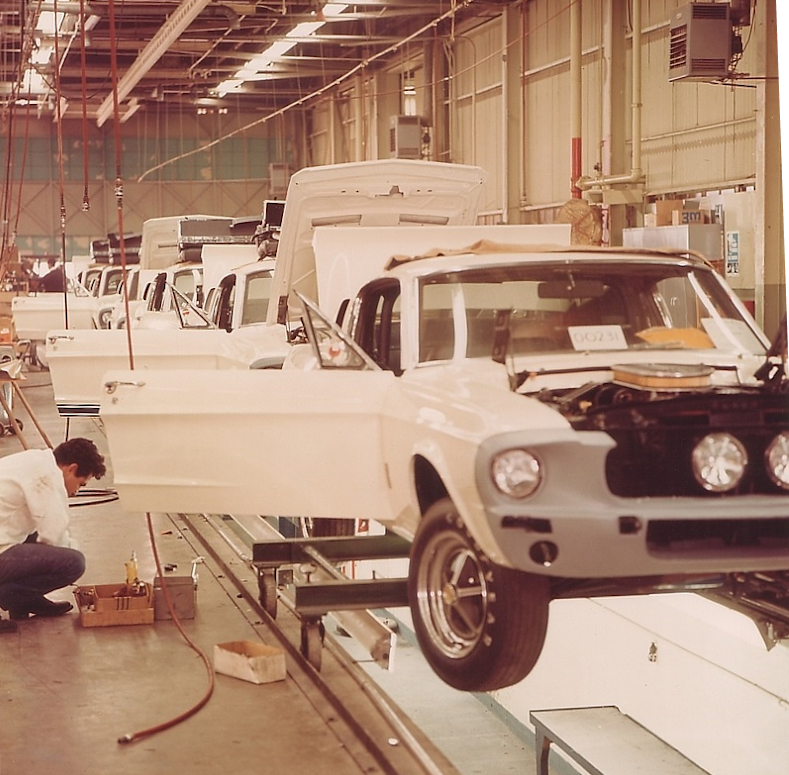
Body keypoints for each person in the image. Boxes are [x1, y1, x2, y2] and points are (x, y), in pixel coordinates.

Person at [0, 438, 106, 632]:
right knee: (73, 563)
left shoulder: (36, 460)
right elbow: (53, 534)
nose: (76, 491)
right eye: (80, 484)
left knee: (33, 535)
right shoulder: (47, 476)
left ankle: (25, 601)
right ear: (72, 469)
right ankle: (12, 596)